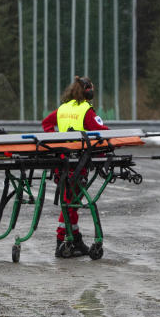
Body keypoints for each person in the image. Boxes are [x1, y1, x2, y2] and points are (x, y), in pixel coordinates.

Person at [42, 76, 109, 257]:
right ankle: (64, 240)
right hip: (78, 162)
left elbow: (46, 123)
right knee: (71, 203)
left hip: (62, 161)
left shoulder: (63, 108)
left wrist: (56, 141)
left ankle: (74, 239)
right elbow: (101, 132)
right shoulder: (85, 110)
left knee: (70, 202)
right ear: (87, 90)